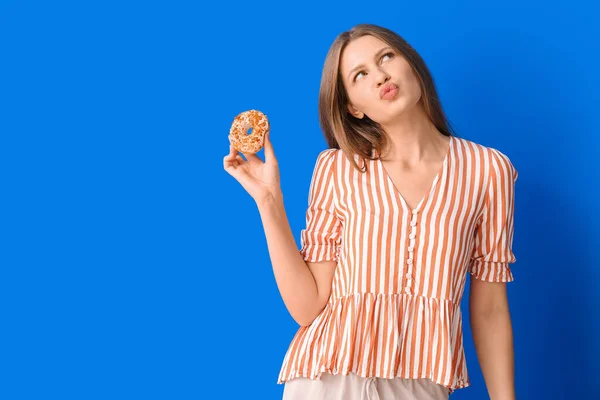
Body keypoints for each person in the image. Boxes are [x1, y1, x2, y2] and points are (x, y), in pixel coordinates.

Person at [223, 23, 518, 400]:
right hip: (328, 379)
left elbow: (490, 311)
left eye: (386, 58)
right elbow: (308, 306)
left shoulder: (489, 170)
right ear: (353, 107)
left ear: (411, 64)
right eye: (360, 75)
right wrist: (269, 202)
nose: (380, 76)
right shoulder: (336, 168)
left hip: (420, 384)